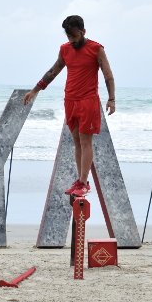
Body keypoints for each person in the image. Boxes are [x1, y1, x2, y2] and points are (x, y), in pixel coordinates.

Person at [23, 15, 115, 198]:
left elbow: (108, 75)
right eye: (69, 37)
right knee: (76, 141)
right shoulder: (65, 50)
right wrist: (35, 90)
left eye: (74, 36)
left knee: (85, 140)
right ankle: (80, 180)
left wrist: (112, 99)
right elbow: (53, 71)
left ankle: (84, 183)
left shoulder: (96, 49)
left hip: (88, 101)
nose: (72, 41)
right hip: (70, 100)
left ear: (83, 32)